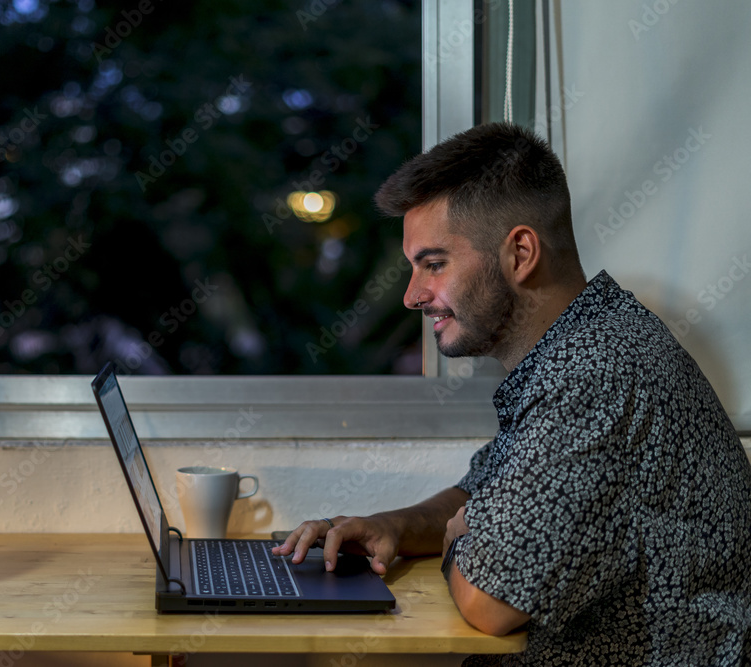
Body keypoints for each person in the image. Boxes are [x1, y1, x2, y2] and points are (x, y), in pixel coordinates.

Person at [273, 122, 751, 666]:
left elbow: (491, 602)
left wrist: (462, 540)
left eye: (434, 264)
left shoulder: (593, 371)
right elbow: (477, 494)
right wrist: (394, 527)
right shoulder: (581, 345)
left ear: (520, 253)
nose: (411, 296)